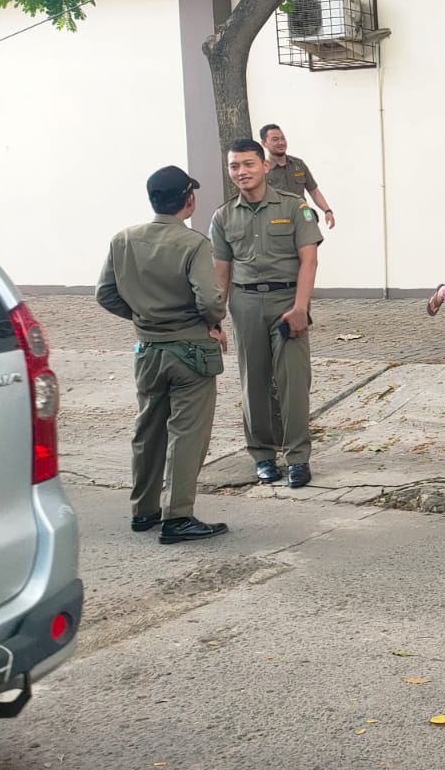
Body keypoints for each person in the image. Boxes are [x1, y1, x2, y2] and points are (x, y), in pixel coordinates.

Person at [95, 166, 230, 544]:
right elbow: (210, 299)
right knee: (187, 434)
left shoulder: (123, 239)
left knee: (148, 430)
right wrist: (213, 322)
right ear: (189, 200)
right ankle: (179, 516)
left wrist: (142, 316)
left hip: (148, 349)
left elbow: (104, 294)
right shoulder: (193, 244)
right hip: (190, 350)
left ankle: (144, 510)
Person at [211, 139, 322, 487]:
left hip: (287, 302)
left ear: (263, 166)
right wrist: (214, 319)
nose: (241, 172)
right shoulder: (223, 215)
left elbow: (309, 260)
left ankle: (298, 457)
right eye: (234, 166)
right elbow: (221, 273)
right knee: (253, 382)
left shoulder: (294, 207)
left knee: (293, 381)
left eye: (248, 164)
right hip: (244, 304)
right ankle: (262, 455)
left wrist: (301, 307)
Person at [260, 124, 336, 230]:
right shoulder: (262, 170)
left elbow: (314, 191)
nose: (281, 142)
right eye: (275, 139)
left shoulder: (298, 164)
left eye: (283, 138)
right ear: (264, 143)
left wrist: (327, 211)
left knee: (311, 243)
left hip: (303, 217)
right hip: (279, 222)